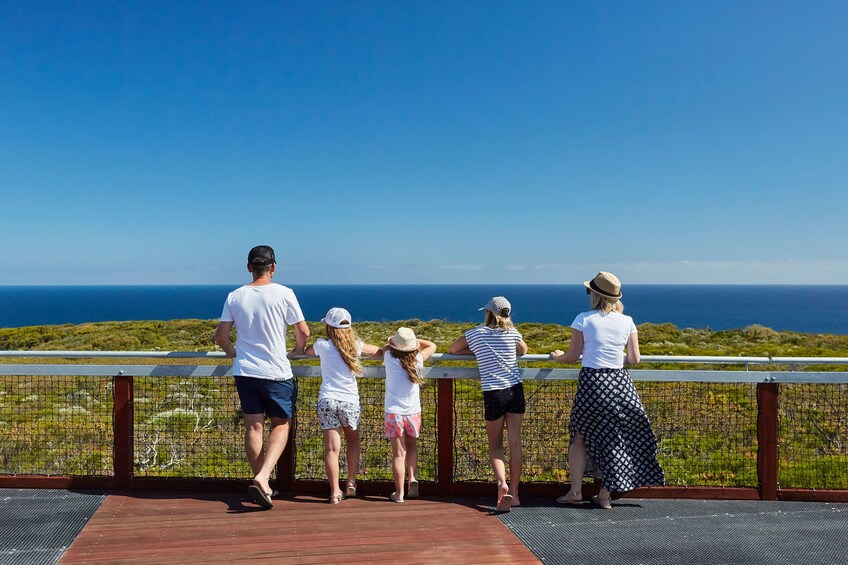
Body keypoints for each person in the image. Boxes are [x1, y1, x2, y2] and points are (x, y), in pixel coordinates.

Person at [549, 272, 664, 509]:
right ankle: (604, 495)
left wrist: (558, 357)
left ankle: (575, 492)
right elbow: (634, 359)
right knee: (616, 438)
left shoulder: (583, 319)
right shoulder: (627, 321)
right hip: (620, 384)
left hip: (592, 384)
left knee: (579, 436)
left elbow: (572, 357)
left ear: (594, 295)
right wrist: (613, 355)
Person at [215, 245, 309, 510]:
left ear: (248, 267)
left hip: (245, 371)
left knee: (254, 428)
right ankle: (263, 477)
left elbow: (221, 336)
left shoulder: (235, 296)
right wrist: (297, 351)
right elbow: (303, 330)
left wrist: (235, 353)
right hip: (276, 371)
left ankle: (263, 485)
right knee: (281, 423)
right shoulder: (284, 293)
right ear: (273, 267)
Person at [448, 296, 528, 512]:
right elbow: (524, 350)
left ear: (488, 313)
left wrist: (476, 352)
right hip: (515, 390)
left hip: (493, 393)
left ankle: (501, 484)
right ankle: (516, 492)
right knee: (515, 443)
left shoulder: (477, 334)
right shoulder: (512, 333)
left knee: (495, 445)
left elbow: (453, 349)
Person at [304, 307, 380, 504]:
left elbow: (307, 352)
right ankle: (351, 483)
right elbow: (377, 351)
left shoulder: (322, 345)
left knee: (331, 450)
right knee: (353, 441)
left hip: (327, 400)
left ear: (328, 327)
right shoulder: (356, 345)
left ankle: (335, 492)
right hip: (349, 401)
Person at [379, 327, 436, 503]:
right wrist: (415, 341)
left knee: (398, 453)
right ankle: (412, 477)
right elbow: (432, 345)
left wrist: (394, 342)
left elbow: (383, 348)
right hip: (413, 412)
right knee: (411, 447)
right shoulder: (418, 359)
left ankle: (399, 493)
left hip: (394, 413)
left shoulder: (389, 358)